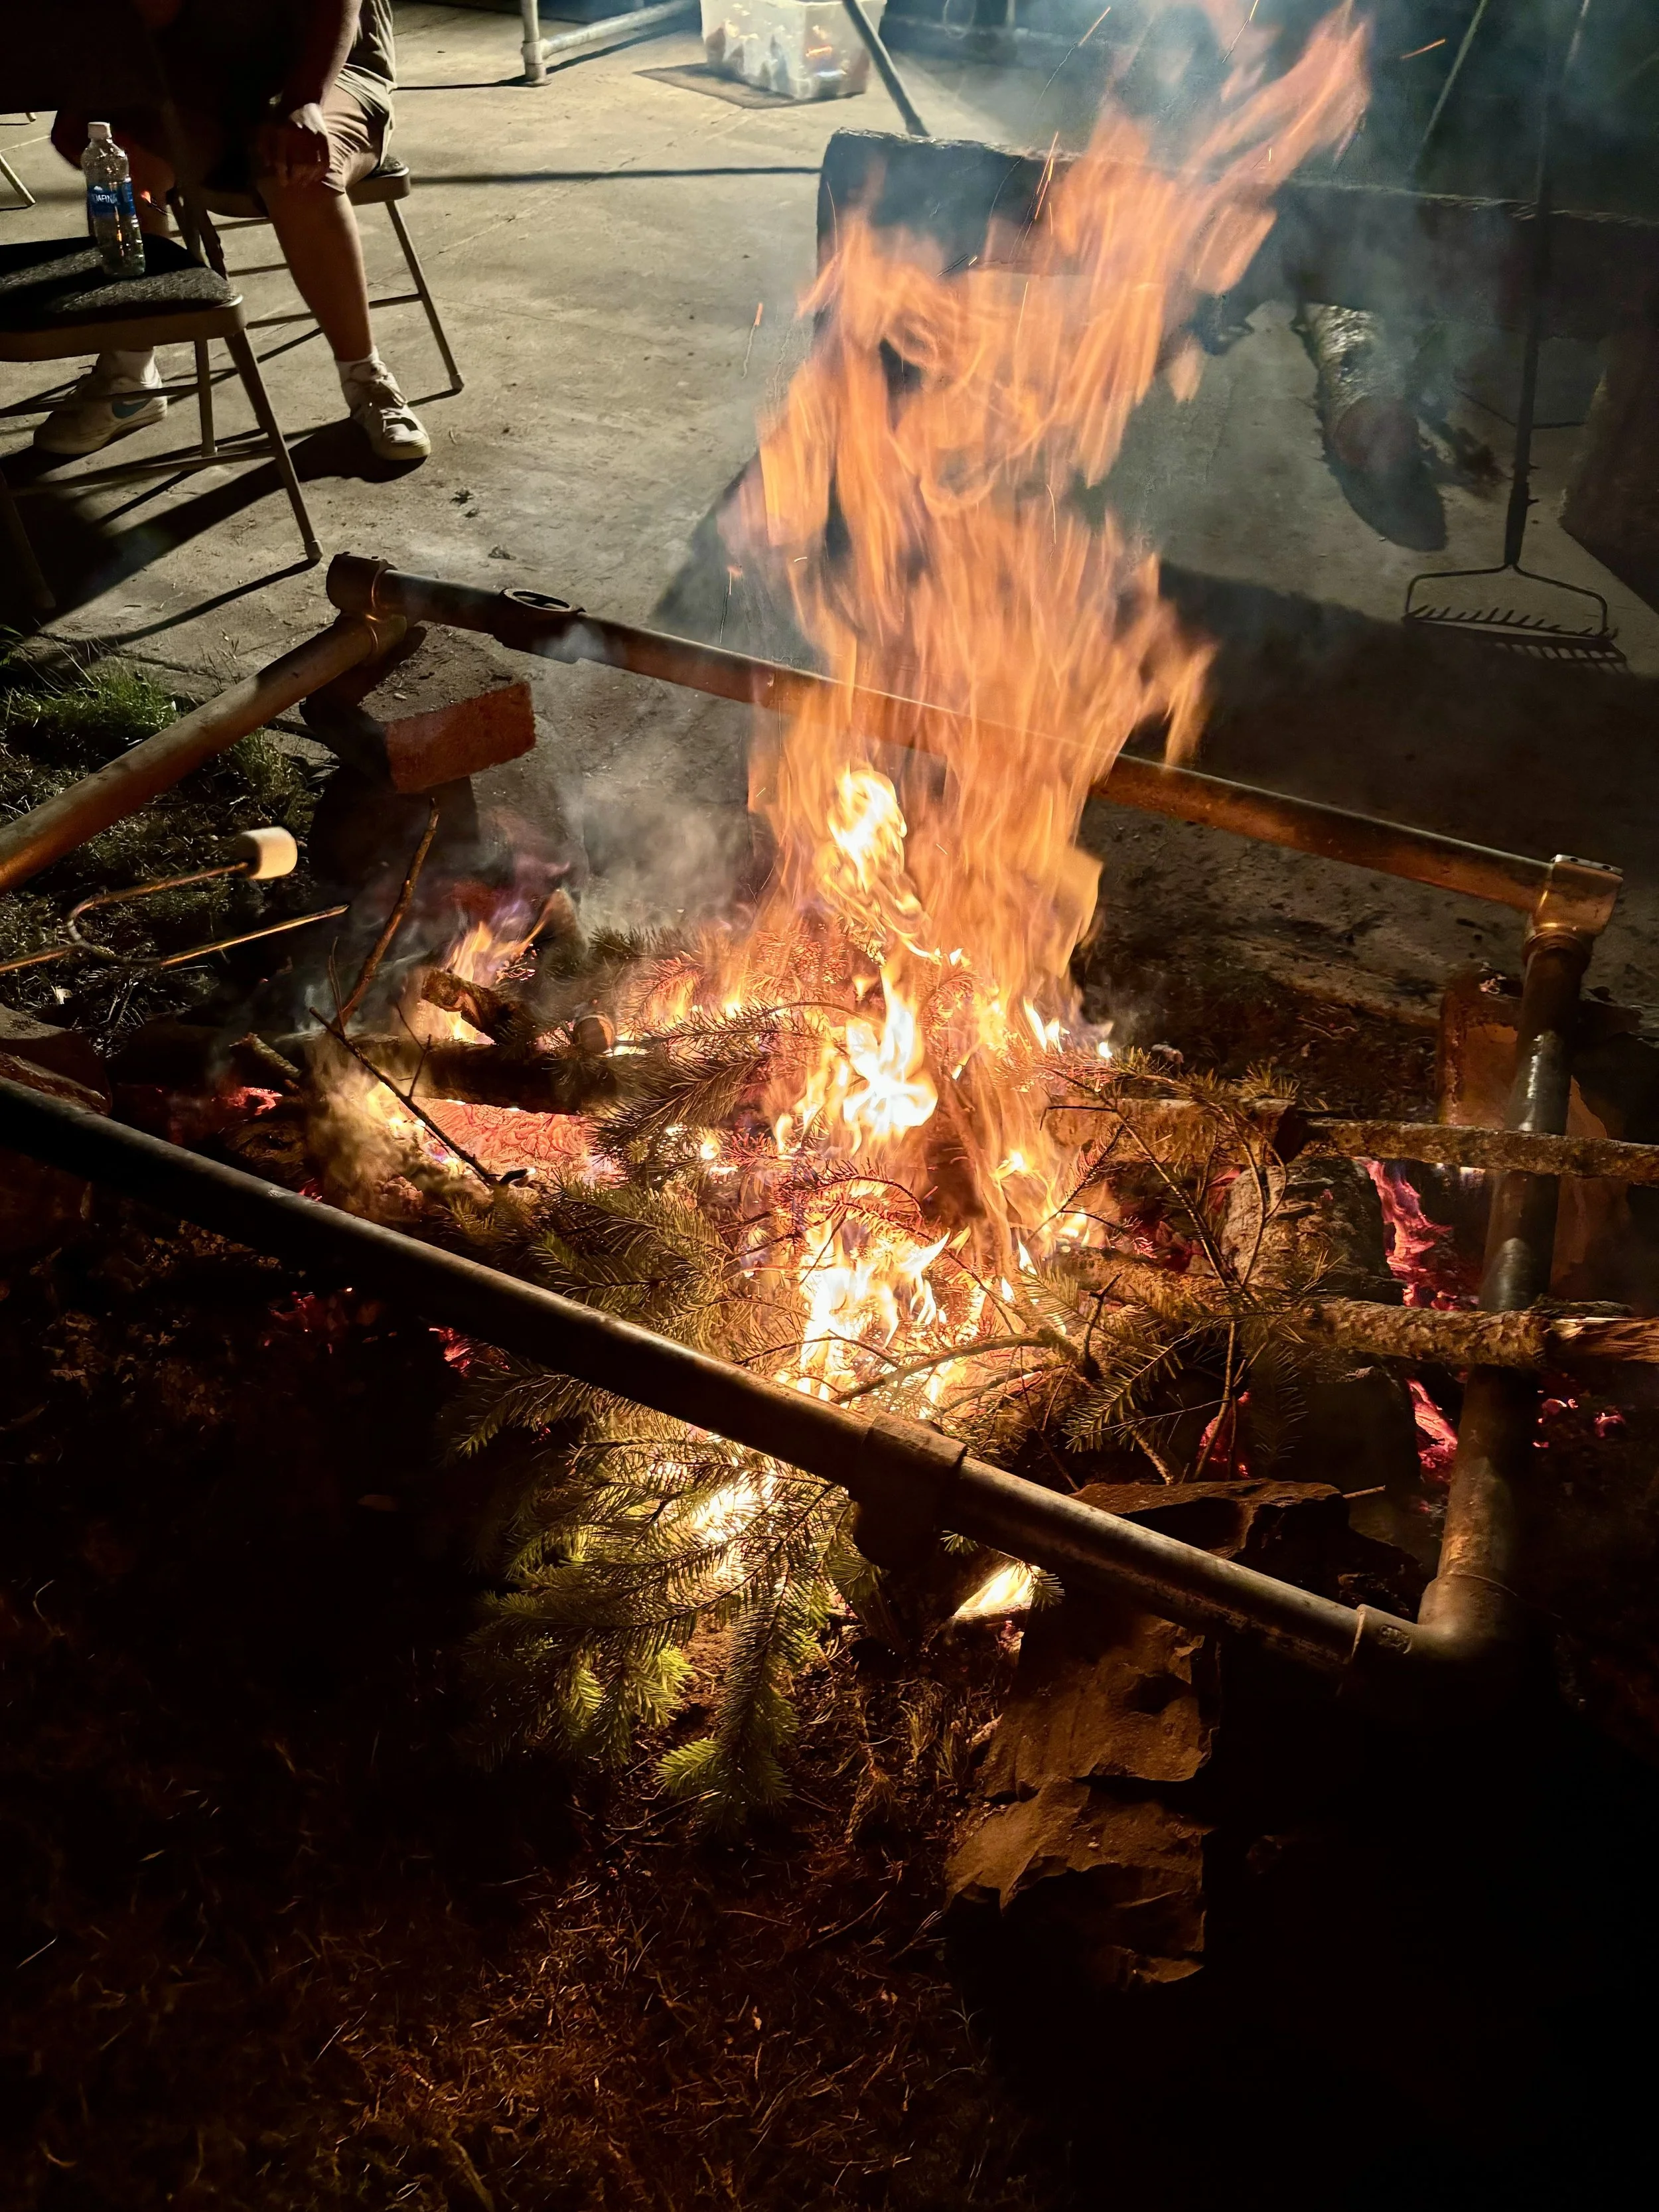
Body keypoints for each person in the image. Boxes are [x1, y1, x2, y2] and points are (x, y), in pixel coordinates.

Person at [40, 0, 429, 463]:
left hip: (329, 69)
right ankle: (129, 376)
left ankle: (365, 377)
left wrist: (305, 97)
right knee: (123, 172)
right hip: (203, 76)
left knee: (298, 174)